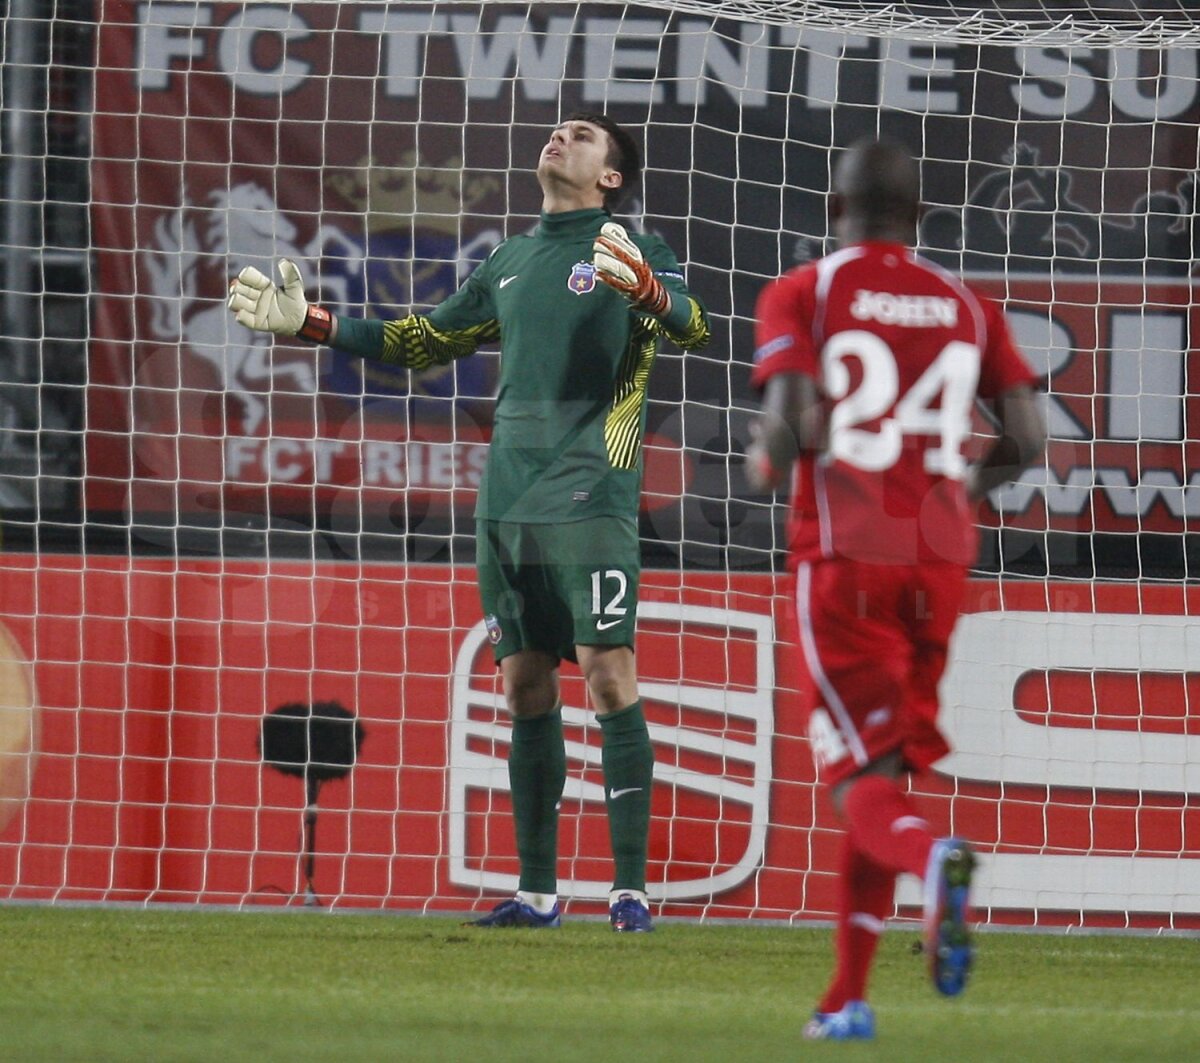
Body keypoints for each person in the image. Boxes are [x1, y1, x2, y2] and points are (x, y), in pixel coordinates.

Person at [228, 114, 711, 932]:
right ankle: (537, 892)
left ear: (611, 178)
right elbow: (422, 341)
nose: (561, 138)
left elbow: (692, 326)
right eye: (558, 129)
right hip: (506, 500)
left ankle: (630, 890)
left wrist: (647, 290)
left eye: (584, 136)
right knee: (525, 684)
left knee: (606, 672)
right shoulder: (511, 260)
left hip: (592, 490)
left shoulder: (633, 249)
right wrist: (312, 324)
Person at [745, 137, 1045, 1039]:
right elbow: (1029, 444)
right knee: (884, 770)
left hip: (847, 554)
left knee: (854, 782)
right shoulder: (968, 303)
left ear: (835, 212)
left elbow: (780, 437)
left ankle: (934, 857)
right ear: (920, 219)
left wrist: (769, 457)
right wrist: (952, 491)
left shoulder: (805, 290)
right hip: (940, 558)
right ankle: (846, 1000)